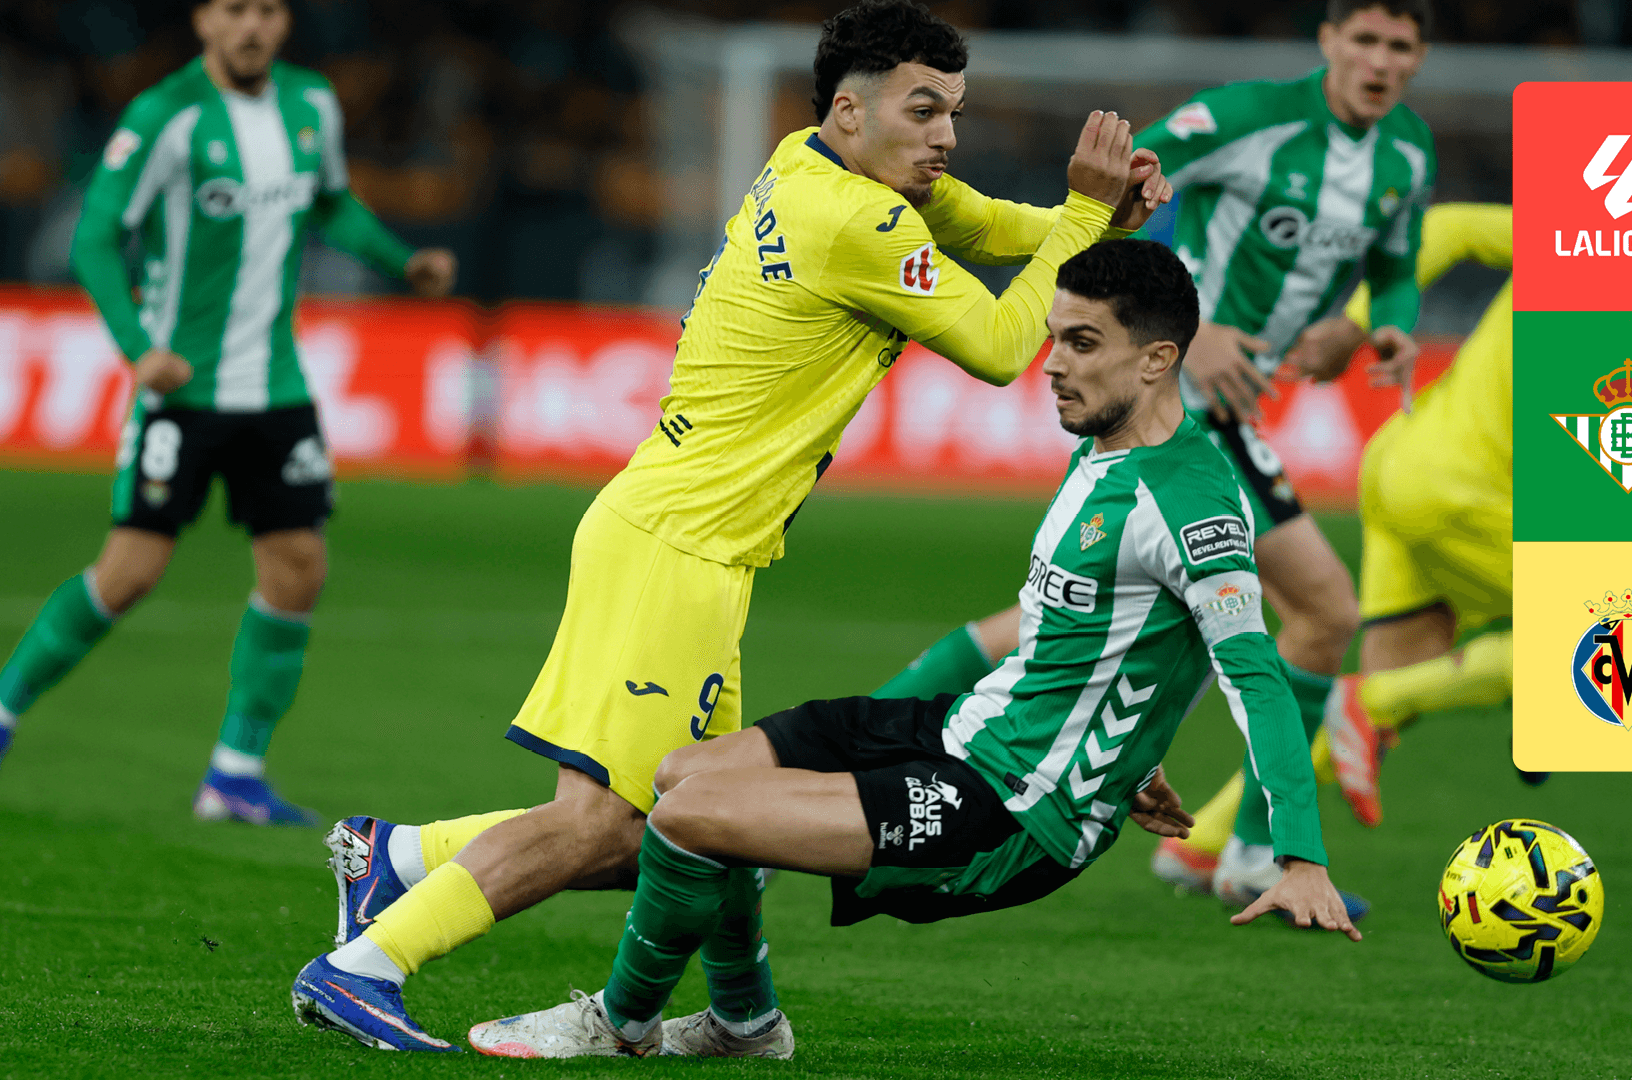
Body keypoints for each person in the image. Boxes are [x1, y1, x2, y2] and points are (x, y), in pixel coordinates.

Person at [288, 0, 1175, 1052]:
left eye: (955, 112)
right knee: (607, 824)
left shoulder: (810, 162)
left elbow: (986, 225)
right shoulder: (856, 222)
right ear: (852, 111)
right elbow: (994, 344)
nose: (946, 135)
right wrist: (1082, 218)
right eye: (923, 110)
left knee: (710, 814)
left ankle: (429, 873)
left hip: (692, 539)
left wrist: (1098, 219)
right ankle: (364, 967)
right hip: (677, 543)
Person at [464, 238, 1360, 1060]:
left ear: (1158, 359)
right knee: (682, 775)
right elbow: (1103, 635)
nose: (1052, 364)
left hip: (1014, 810)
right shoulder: (1107, 450)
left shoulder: (1193, 505)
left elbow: (1255, 676)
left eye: (1083, 343)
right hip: (966, 730)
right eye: (1054, 338)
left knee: (691, 819)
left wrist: (1300, 854)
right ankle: (744, 1023)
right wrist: (1127, 757)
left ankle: (620, 1025)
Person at [875, 0, 1437, 909]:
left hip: (1240, 408)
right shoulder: (1250, 117)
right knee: (1326, 608)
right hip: (1175, 398)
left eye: (1399, 46)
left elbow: (1398, 263)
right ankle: (1250, 852)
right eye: (1364, 39)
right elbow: (1130, 189)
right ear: (1329, 40)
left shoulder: (1408, 152)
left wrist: (1386, 327)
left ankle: (875, 737)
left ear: (1419, 57)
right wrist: (1186, 327)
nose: (1380, 61)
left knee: (1062, 617)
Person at [0, 0, 455, 825]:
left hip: (276, 387)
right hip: (182, 389)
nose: (252, 27)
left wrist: (402, 260)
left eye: (267, 10)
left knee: (298, 568)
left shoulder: (311, 104)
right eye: (235, 10)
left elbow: (330, 203)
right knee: (129, 574)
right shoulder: (165, 116)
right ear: (204, 20)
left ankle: (234, 773)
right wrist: (140, 348)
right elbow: (94, 239)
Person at [1152, 202, 1513, 892]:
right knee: (1617, 630)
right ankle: (1372, 704)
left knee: (1378, 668)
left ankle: (1216, 840)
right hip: (1478, 492)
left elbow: (1449, 226)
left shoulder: (1596, 235)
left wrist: (1358, 322)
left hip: (1407, 456)